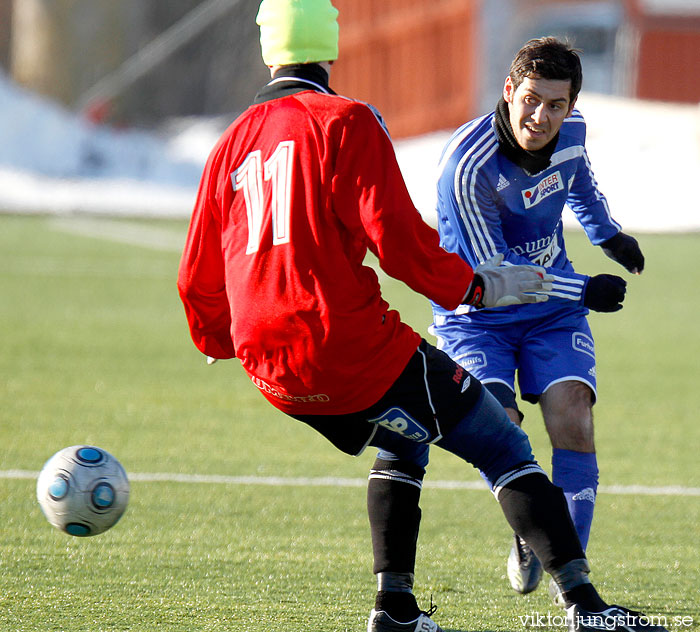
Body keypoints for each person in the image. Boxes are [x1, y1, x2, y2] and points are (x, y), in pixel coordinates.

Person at [178, 4, 664, 631]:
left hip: (271, 368)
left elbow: (197, 275)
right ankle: (586, 607)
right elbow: (400, 242)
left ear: (271, 52)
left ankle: (396, 609)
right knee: (504, 444)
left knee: (403, 440)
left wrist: (227, 340)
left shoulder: (231, 141)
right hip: (352, 344)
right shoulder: (347, 120)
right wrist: (473, 288)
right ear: (330, 47)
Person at [431, 36, 646, 605]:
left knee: (573, 415)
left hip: (551, 312)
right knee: (500, 428)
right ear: (508, 91)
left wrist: (609, 236)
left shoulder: (569, 135)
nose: (541, 116)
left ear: (572, 106)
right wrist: (585, 288)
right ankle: (533, 525)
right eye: (531, 99)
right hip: (477, 314)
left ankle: (567, 571)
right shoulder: (467, 167)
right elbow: (495, 273)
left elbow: (578, 184)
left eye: (556, 105)